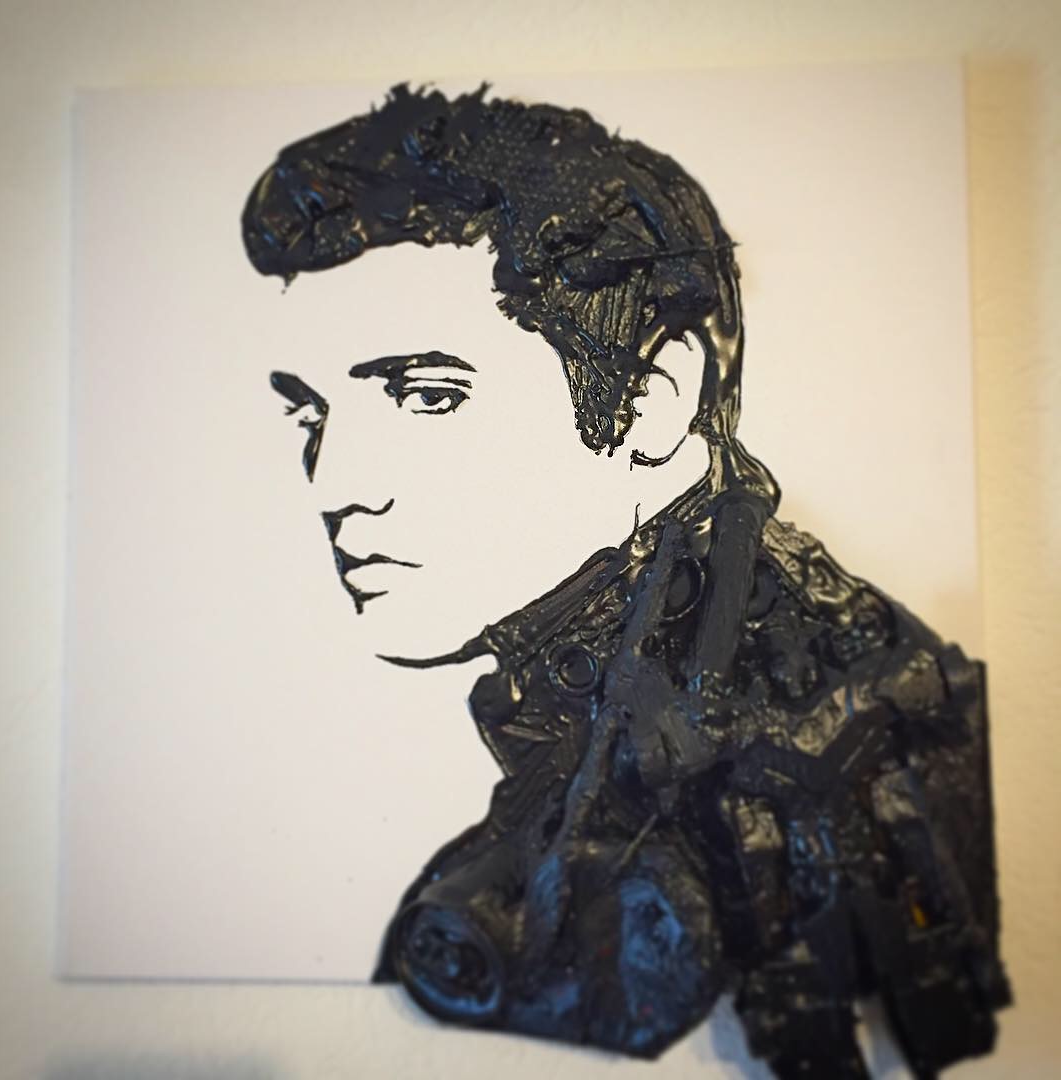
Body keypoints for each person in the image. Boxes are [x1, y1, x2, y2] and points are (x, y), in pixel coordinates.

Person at [242, 84, 1008, 1078]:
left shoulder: (845, 717)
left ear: (650, 403)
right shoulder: (608, 703)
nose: (333, 485)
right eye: (310, 413)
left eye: (427, 395)